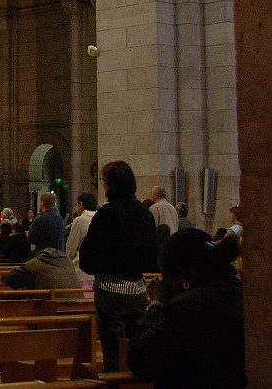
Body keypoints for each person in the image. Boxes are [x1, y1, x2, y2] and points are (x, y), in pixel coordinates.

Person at [127, 230, 245, 388]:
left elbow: (139, 359)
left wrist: (156, 304)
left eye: (168, 278)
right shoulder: (241, 292)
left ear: (184, 275)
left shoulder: (185, 307)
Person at [79, 160, 159, 373]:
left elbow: (88, 255)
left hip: (111, 291)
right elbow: (153, 254)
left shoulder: (107, 213)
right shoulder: (145, 214)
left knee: (113, 353)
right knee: (135, 352)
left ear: (111, 185)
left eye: (104, 182)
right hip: (139, 291)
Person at [3, 246, 80, 290]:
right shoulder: (67, 260)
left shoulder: (35, 264)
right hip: (78, 305)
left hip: (53, 308)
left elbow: (9, 279)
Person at [66, 192, 97, 282]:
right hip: (98, 270)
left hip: (81, 269)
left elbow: (71, 247)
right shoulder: (101, 217)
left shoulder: (80, 220)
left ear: (81, 204)